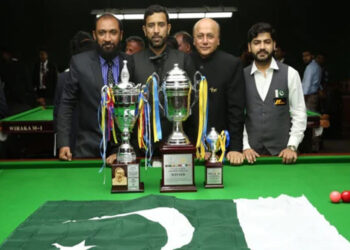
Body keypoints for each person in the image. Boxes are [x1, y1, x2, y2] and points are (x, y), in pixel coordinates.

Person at [107, 5, 196, 164]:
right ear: (144, 29)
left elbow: (193, 107)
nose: (156, 30)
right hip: (140, 149)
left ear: (168, 28)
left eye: (161, 25)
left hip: (178, 146)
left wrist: (197, 145)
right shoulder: (132, 62)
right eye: (151, 25)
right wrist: (120, 147)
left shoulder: (183, 60)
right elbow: (123, 107)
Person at [57, 13, 133, 160]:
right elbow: (66, 104)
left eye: (113, 32)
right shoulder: (79, 63)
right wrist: (63, 143)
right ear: (94, 35)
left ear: (121, 35)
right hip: (88, 147)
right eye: (102, 33)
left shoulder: (131, 63)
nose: (108, 39)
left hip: (124, 146)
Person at [243, 22, 307, 164]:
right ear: (249, 47)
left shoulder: (291, 74)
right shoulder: (240, 77)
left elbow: (299, 112)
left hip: (284, 154)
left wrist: (292, 146)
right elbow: (237, 116)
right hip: (251, 155)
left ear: (274, 45)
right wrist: (245, 146)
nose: (262, 47)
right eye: (256, 43)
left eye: (267, 42)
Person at [191, 18, 246, 165]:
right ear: (194, 40)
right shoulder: (185, 63)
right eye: (200, 36)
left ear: (218, 40)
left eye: (210, 36)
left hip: (223, 148)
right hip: (191, 150)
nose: (205, 41)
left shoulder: (232, 64)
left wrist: (235, 148)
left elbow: (236, 110)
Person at [53, 31, 96, 151]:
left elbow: (58, 113)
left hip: (71, 142)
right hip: (98, 142)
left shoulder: (63, 78)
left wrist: (62, 143)